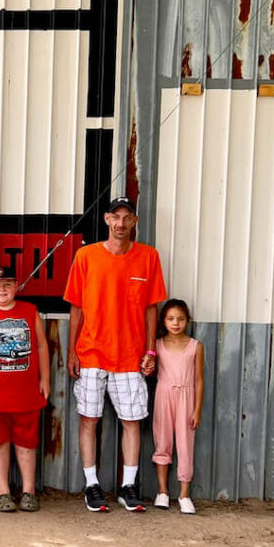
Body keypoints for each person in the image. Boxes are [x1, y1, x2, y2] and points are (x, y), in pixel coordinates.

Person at [63, 196, 167, 513]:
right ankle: (91, 485)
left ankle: (128, 486)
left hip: (130, 355)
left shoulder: (148, 257)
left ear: (135, 221)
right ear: (107, 219)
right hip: (91, 352)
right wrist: (72, 351)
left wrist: (150, 349)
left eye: (127, 218)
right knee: (89, 420)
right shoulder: (86, 256)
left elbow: (152, 308)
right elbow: (76, 308)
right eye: (116, 217)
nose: (121, 224)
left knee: (132, 421)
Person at [0, 266, 50, 512]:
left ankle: (28, 491)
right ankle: (3, 491)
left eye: (6, 284)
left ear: (16, 286)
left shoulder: (30, 311)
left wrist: (45, 379)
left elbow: (42, 348)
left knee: (27, 441)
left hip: (25, 390)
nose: (1, 290)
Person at [151, 299, 204, 514]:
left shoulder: (195, 346)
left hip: (187, 398)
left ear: (187, 320)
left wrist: (197, 409)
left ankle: (184, 494)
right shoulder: (157, 345)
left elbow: (199, 379)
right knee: (162, 441)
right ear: (164, 321)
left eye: (181, 319)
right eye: (171, 319)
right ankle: (162, 492)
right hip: (163, 396)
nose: (176, 323)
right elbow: (149, 370)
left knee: (185, 445)